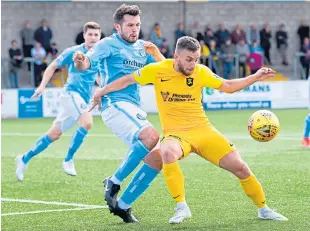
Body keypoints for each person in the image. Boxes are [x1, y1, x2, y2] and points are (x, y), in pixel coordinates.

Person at [92, 36, 288, 224]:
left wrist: (255, 76)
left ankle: (264, 209)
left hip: (203, 131)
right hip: (175, 134)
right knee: (166, 152)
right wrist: (101, 91)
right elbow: (126, 80)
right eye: (188, 59)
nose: (192, 64)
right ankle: (181, 206)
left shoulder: (200, 71)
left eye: (196, 59)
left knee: (241, 168)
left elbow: (228, 86)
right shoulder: (157, 70)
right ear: (176, 56)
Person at [73, 4, 164, 223]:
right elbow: (86, 63)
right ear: (117, 26)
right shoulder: (108, 44)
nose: (135, 29)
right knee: (151, 136)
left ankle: (123, 206)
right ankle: (114, 181)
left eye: (138, 25)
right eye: (130, 25)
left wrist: (157, 52)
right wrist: (80, 61)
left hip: (133, 107)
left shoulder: (144, 47)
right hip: (114, 104)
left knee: (158, 159)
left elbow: (167, 71)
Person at [15, 22, 101, 181]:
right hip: (71, 94)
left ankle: (24, 158)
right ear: (84, 36)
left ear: (100, 36)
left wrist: (102, 91)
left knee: (54, 134)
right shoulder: (74, 51)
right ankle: (68, 159)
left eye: (96, 35)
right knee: (87, 123)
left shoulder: (100, 54)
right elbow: (52, 66)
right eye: (90, 34)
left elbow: (100, 76)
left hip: (83, 99)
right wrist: (42, 86)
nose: (93, 37)